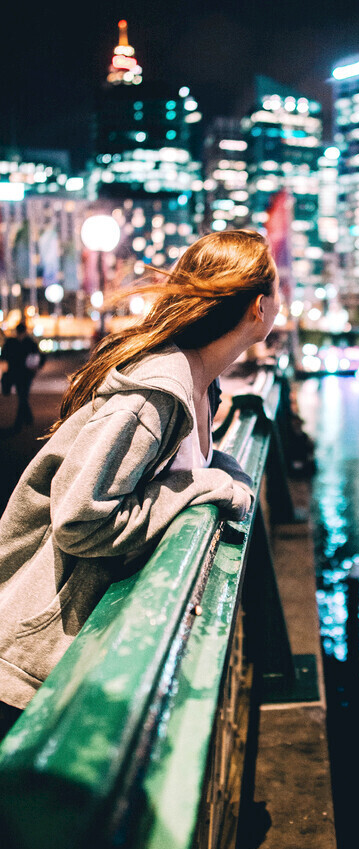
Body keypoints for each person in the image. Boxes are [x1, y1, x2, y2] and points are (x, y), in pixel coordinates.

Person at [0, 229, 280, 732]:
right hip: (29, 658)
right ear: (259, 308)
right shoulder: (156, 392)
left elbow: (186, 465)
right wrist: (204, 488)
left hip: (73, 650)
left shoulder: (200, 379)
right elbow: (81, 521)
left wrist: (224, 471)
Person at [0, 320, 42, 432]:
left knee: (22, 396)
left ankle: (20, 422)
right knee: (23, 396)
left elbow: (4, 355)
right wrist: (36, 368)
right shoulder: (30, 342)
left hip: (17, 374)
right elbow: (40, 357)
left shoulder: (11, 342)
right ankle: (27, 418)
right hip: (27, 374)